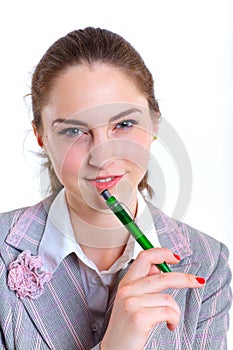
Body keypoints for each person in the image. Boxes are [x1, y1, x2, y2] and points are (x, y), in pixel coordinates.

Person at [0, 27, 232, 350]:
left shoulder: (209, 265)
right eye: (73, 131)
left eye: (123, 124)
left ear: (154, 123)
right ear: (41, 136)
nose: (103, 156)